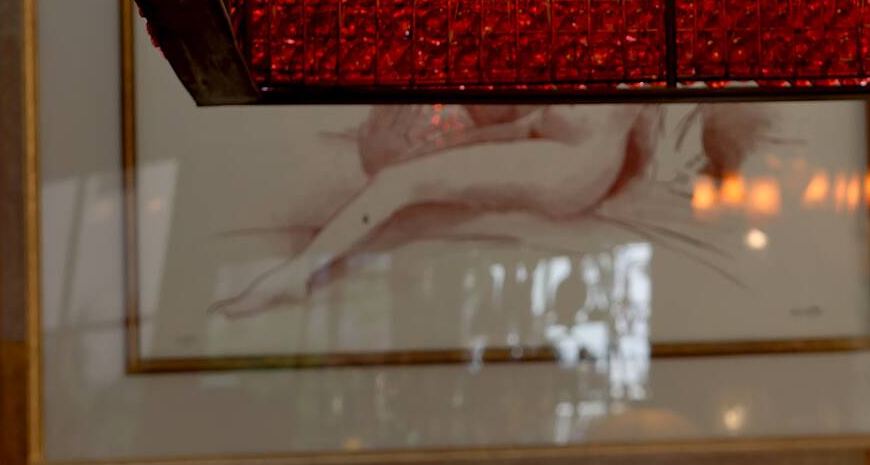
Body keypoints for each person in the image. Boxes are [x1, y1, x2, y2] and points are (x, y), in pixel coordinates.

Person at [211, 103, 665, 319]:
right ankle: (303, 266)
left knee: (402, 182)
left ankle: (294, 275)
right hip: (566, 156)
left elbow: (632, 133)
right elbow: (523, 124)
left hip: (571, 170)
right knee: (410, 178)